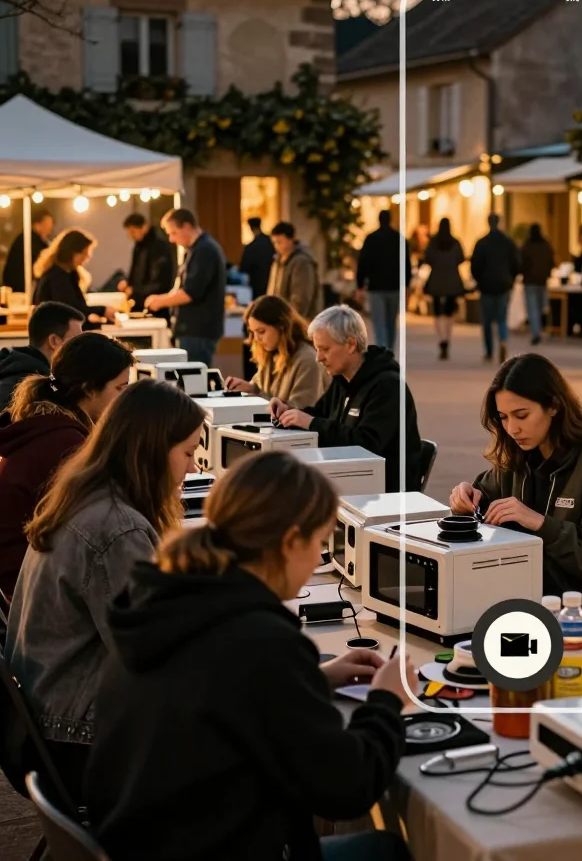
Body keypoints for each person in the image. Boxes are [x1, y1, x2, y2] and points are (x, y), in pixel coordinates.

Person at [85, 452, 414, 861]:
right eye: (319, 542)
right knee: (386, 850)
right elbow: (347, 788)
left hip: (146, 842)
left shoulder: (161, 602)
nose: (318, 559)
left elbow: (221, 690)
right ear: (291, 540)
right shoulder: (261, 641)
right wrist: (387, 701)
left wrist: (313, 678)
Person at [3, 381, 204, 800]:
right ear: (148, 450)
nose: (193, 467)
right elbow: (156, 658)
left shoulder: (90, 498)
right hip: (78, 740)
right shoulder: (117, 527)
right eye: (187, 453)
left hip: (50, 724)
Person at [450, 353, 582, 643]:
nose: (512, 429)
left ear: (553, 406)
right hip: (526, 605)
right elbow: (484, 498)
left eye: (521, 415)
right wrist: (465, 499)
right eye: (503, 417)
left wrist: (540, 523)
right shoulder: (516, 455)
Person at [0, 333, 134, 604]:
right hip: (29, 594)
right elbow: (99, 529)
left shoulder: (49, 426)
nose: (124, 399)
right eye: (120, 388)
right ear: (89, 388)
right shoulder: (66, 445)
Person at [271, 306, 423, 493]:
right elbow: (320, 415)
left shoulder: (388, 386)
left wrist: (311, 423)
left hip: (384, 492)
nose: (318, 357)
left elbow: (367, 445)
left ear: (351, 344)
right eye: (317, 349)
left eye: (324, 349)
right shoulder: (342, 379)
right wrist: (289, 412)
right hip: (347, 478)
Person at [145, 209, 227, 368]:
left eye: (174, 233)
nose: (171, 239)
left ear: (187, 227)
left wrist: (160, 301)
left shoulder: (204, 250)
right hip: (193, 330)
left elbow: (191, 292)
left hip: (198, 331)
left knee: (192, 382)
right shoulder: (195, 250)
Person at [225, 295, 325, 409]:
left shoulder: (307, 360)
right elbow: (263, 389)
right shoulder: (270, 353)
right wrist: (250, 388)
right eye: (253, 332)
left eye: (261, 331)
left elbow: (303, 409)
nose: (257, 339)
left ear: (281, 327)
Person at [0, 302, 84, 417]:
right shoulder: (38, 391)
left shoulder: (12, 366)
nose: (81, 349)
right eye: (75, 342)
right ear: (54, 341)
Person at [32, 229, 113, 328]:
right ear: (71, 252)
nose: (87, 257)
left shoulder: (67, 274)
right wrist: (102, 311)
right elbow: (71, 310)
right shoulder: (57, 276)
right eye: (83, 253)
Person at [356, 210, 411, 353]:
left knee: (379, 321)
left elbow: (363, 263)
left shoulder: (371, 239)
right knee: (391, 321)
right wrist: (406, 285)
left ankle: (382, 348)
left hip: (376, 286)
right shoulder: (399, 239)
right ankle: (389, 349)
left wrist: (360, 285)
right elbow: (406, 264)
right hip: (394, 286)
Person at [471, 214, 520, 364]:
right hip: (504, 284)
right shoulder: (508, 242)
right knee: (502, 318)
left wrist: (479, 280)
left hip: (486, 286)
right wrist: (511, 278)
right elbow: (516, 263)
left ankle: (489, 350)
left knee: (486, 320)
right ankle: (503, 339)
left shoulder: (482, 243)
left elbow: (475, 266)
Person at [119, 212, 177, 320]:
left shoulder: (159, 247)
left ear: (144, 227)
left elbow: (160, 281)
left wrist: (135, 290)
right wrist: (128, 283)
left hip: (156, 304)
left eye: (133, 231)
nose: (131, 236)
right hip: (140, 301)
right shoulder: (138, 246)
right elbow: (136, 271)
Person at [423, 218, 465, 361]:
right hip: (452, 281)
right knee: (449, 312)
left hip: (436, 281)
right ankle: (447, 337)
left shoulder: (433, 243)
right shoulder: (455, 243)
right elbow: (461, 259)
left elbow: (427, 259)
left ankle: (441, 338)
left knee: (437, 312)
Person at [268, 221, 323, 322]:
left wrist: (289, 319)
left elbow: (301, 298)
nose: (276, 246)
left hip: (299, 321)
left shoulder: (302, 261)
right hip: (282, 318)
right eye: (274, 242)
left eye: (280, 242)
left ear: (291, 240)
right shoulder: (277, 261)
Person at [1, 207, 53, 293]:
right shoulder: (29, 242)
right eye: (47, 224)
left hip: (17, 286)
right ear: (37, 225)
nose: (50, 228)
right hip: (20, 289)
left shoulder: (26, 239)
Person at [520, 223, 555, 346]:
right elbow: (551, 261)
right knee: (540, 307)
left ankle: (536, 332)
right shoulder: (546, 246)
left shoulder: (527, 246)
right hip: (542, 281)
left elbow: (521, 262)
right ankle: (538, 329)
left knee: (532, 308)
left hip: (530, 281)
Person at [240, 217, 275, 299]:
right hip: (271, 280)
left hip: (256, 283)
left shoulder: (251, 247)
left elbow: (244, 266)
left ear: (251, 228)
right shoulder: (271, 242)